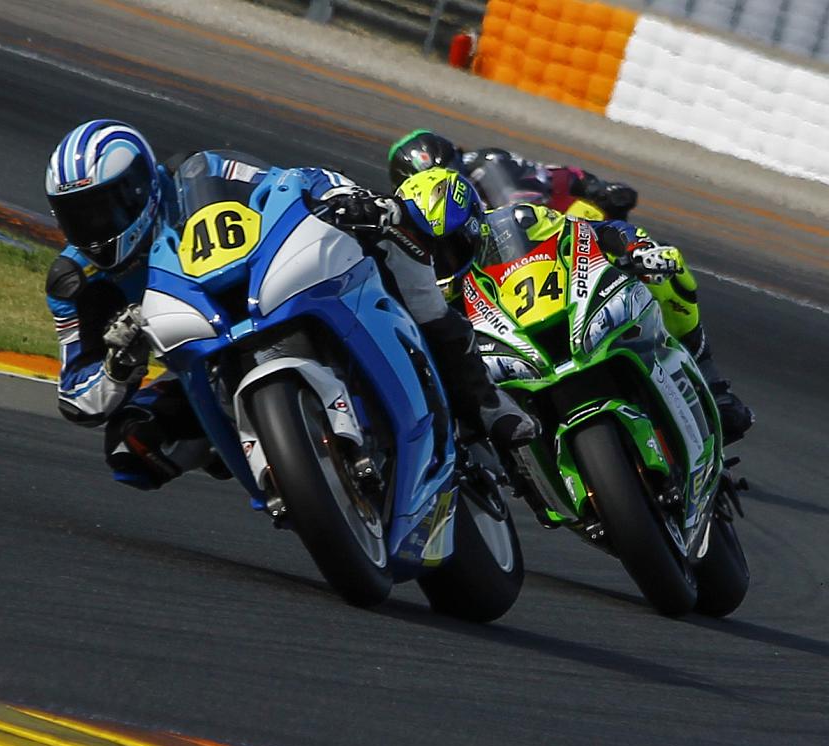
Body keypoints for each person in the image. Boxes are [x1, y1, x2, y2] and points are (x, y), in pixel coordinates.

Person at [43, 119, 536, 491]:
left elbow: (286, 180)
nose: (94, 228)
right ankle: (275, 450)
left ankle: (484, 400)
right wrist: (118, 363)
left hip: (271, 286)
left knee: (395, 248)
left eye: (104, 207)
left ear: (139, 188)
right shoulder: (75, 282)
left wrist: (347, 198)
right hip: (201, 350)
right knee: (131, 445)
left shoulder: (198, 175)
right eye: (77, 217)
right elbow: (77, 397)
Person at [421, 195, 754, 444]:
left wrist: (635, 248)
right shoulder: (429, 288)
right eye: (432, 252)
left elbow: (592, 231)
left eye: (449, 246)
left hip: (567, 313)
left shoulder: (521, 219)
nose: (443, 259)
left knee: (668, 270)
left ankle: (713, 385)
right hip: (512, 352)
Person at [387, 129, 638, 221]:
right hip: (495, 275)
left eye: (449, 174)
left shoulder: (488, 162)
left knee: (587, 213)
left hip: (547, 230)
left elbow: (556, 175)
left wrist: (599, 189)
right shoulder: (414, 220)